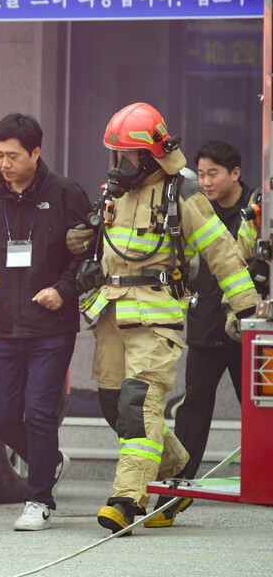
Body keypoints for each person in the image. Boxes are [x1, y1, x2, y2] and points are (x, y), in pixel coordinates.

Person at [75, 103, 259, 534]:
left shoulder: (183, 193)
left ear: (151, 155)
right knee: (113, 405)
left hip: (156, 318)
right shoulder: (115, 193)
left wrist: (245, 307)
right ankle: (176, 468)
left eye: (128, 155)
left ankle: (126, 499)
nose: (120, 163)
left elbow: (222, 252)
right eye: (117, 154)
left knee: (138, 405)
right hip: (112, 315)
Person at [0, 113, 92, 531]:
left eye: (12, 155)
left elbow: (92, 253)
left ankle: (39, 499)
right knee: (1, 417)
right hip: (7, 328)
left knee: (40, 412)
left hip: (51, 327)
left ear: (35, 153)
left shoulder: (64, 193)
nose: (4, 164)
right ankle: (50, 462)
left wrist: (64, 290)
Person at [145, 140, 257, 527]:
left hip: (249, 330)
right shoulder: (191, 207)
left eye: (214, 174)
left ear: (235, 173)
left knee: (259, 410)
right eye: (202, 174)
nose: (206, 182)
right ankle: (174, 495)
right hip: (205, 326)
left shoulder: (257, 210)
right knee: (193, 408)